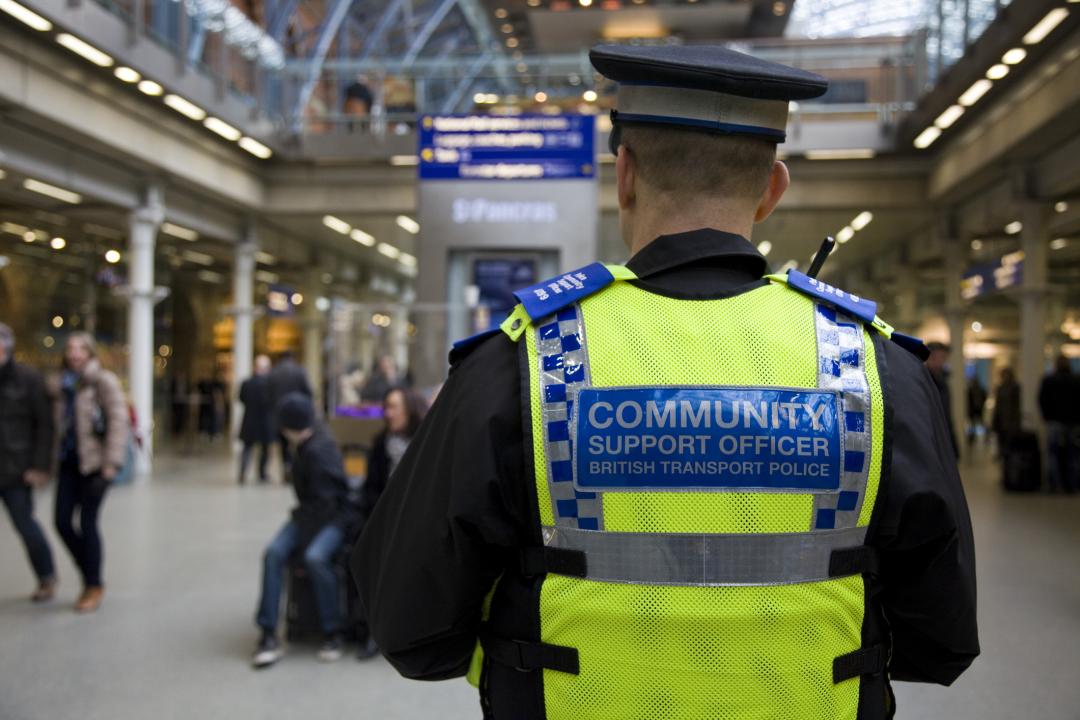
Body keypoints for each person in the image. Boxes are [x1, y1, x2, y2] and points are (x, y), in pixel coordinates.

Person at [353, 44, 978, 720]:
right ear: (773, 189)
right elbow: (939, 639)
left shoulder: (525, 362)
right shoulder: (871, 367)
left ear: (624, 176)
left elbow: (411, 627)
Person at [252, 393, 352, 669]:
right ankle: (268, 631)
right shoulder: (305, 444)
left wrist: (304, 540)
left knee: (315, 558)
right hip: (308, 517)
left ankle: (333, 631)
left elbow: (330, 503)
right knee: (273, 553)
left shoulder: (319, 451)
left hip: (332, 519)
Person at [51, 332, 129, 613]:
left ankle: (93, 583)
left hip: (95, 464)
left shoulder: (102, 381)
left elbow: (119, 421)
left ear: (91, 353)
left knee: (87, 522)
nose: (74, 353)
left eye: (80, 348)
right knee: (61, 521)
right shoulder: (61, 384)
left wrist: (111, 463)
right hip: (68, 462)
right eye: (70, 348)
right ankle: (88, 568)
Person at [0, 322, 57, 602]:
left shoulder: (28, 379)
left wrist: (39, 466)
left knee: (25, 524)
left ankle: (46, 576)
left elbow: (44, 425)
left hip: (16, 468)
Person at [268, 351, 313, 476]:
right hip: (299, 414)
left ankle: (286, 466)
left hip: (279, 415)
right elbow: (309, 392)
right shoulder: (299, 371)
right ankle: (297, 468)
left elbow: (267, 395)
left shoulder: (274, 372)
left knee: (283, 445)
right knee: (300, 442)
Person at [1039, 355, 1079, 494]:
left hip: (1055, 422)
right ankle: (1073, 484)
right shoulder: (1076, 380)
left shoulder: (1049, 380)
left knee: (1054, 455)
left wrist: (1047, 416)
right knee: (1072, 454)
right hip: (1072, 422)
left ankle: (1057, 485)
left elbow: (1042, 400)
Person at [238, 355, 274, 485]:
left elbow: (241, 399)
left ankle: (243, 473)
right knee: (265, 449)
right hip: (265, 421)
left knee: (247, 448)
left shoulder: (246, 383)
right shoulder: (270, 384)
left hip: (250, 420)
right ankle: (262, 474)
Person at [926, 341, 959, 457]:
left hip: (944, 437)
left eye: (944, 358)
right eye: (937, 357)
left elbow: (946, 415)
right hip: (930, 441)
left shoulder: (942, 379)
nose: (941, 361)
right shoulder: (924, 380)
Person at [992, 367, 1022, 458]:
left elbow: (1016, 406)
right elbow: (998, 407)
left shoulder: (1015, 388)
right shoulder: (1000, 388)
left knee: (1011, 446)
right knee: (1002, 444)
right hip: (1001, 422)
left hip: (1011, 422)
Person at [966, 375, 987, 448]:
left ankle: (972, 438)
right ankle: (972, 438)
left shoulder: (973, 389)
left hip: (976, 409)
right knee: (975, 424)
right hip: (977, 409)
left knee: (976, 424)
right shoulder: (976, 389)